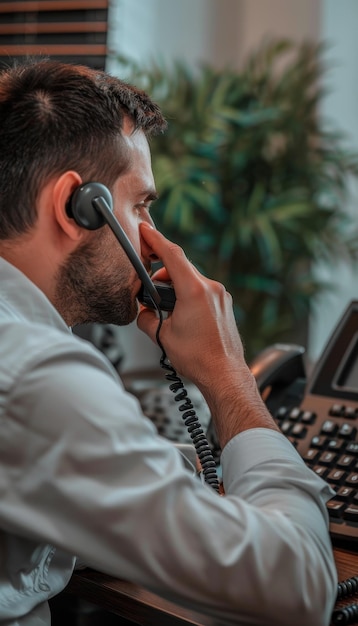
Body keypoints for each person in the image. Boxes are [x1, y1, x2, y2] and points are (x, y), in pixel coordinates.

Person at [0, 57, 336, 626]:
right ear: (77, 208)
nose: (155, 243)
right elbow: (298, 589)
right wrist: (229, 375)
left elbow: (86, 470)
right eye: (140, 206)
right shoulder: (33, 376)